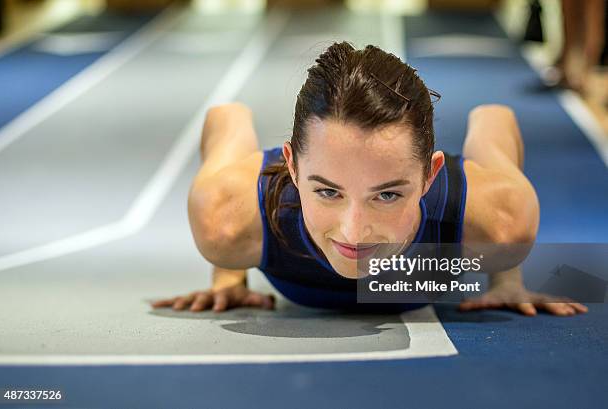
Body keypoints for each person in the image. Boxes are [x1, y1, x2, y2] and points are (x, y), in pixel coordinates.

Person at [152, 42, 587, 317]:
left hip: (455, 186)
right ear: (292, 167)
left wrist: (506, 279)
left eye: (388, 195)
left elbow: (502, 130)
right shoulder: (226, 219)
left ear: (429, 176)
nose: (353, 231)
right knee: (228, 135)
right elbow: (219, 129)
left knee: (493, 132)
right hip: (264, 186)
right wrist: (228, 277)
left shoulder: (501, 225)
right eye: (327, 191)